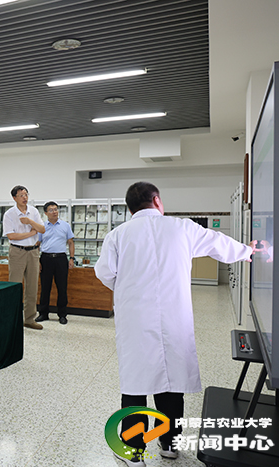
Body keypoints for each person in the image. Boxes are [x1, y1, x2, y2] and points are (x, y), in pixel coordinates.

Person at [94, 182, 257, 467]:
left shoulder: (118, 235)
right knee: (171, 381)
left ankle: (132, 450)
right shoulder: (182, 227)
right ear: (157, 201)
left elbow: (105, 273)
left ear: (130, 208)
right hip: (174, 318)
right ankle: (169, 443)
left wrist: (128, 289)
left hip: (135, 320)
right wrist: (246, 250)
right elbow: (218, 243)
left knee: (135, 383)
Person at [2, 185, 45, 330]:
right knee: (14, 286)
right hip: (17, 252)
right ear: (14, 198)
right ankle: (12, 319)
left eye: (26, 194)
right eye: (21, 195)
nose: (25, 197)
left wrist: (30, 222)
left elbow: (42, 229)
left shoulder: (33, 211)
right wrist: (31, 233)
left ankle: (29, 319)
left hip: (33, 252)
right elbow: (11, 236)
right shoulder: (9, 214)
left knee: (32, 286)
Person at [36, 201, 75, 324]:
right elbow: (37, 244)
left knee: (62, 288)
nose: (55, 212)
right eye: (51, 210)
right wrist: (37, 261)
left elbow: (71, 243)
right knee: (45, 287)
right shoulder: (41, 227)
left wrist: (72, 258)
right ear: (45, 213)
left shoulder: (65, 225)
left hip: (61, 259)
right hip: (45, 258)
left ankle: (62, 315)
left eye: (56, 209)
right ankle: (43, 313)